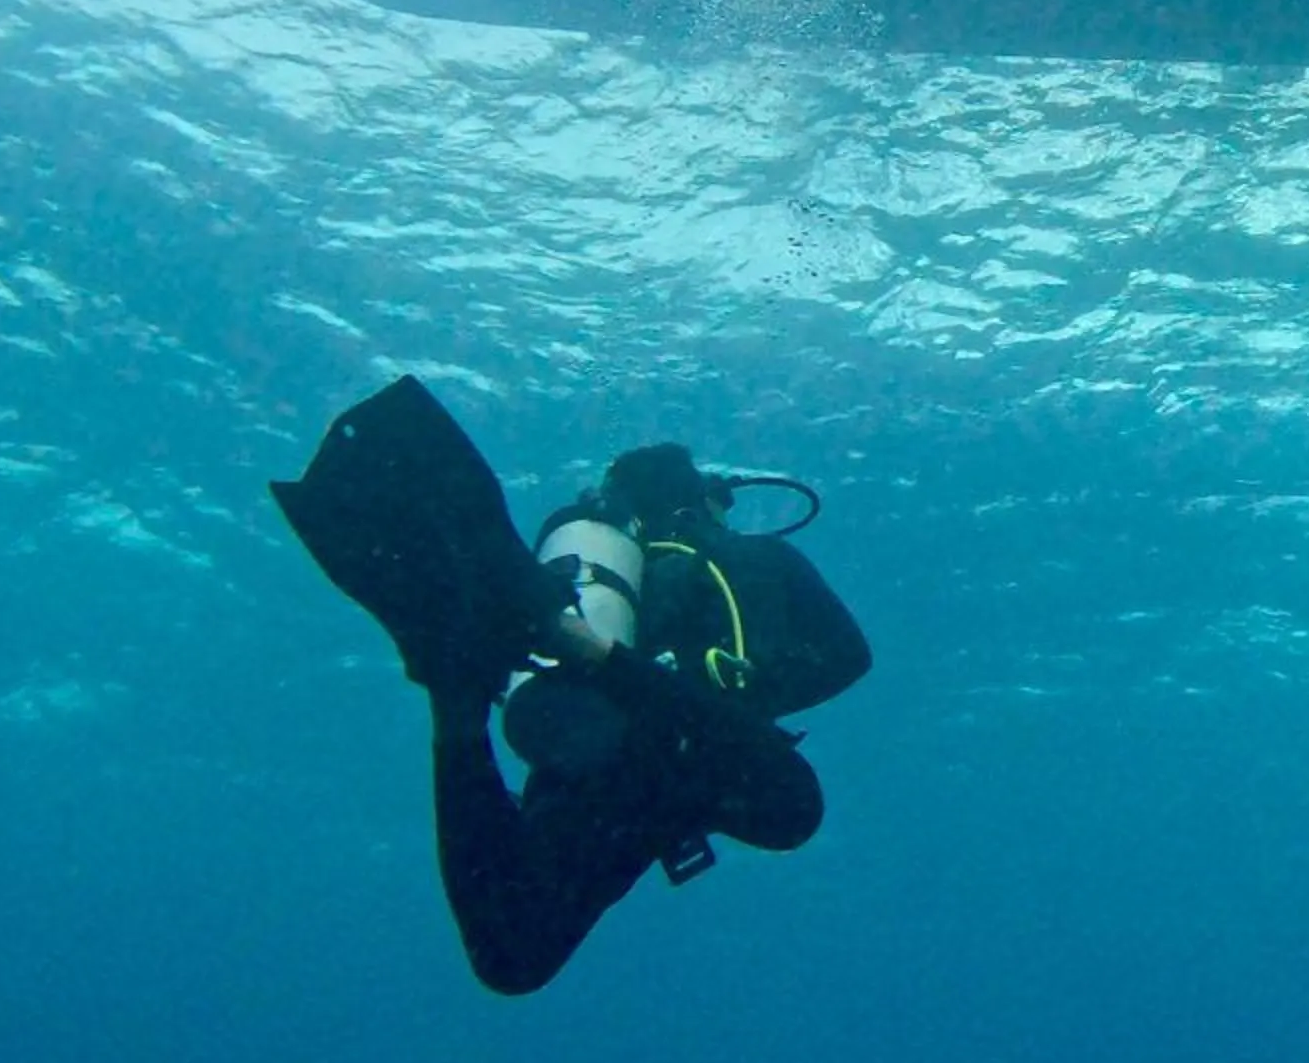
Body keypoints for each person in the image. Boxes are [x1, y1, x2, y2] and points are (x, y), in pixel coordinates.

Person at [271, 375, 870, 993]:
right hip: (695, 756)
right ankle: (569, 655)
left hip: (602, 756)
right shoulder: (748, 555)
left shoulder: (608, 563)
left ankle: (456, 712)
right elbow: (849, 657)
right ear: (701, 501)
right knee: (794, 810)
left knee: (512, 954)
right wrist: (748, 696)